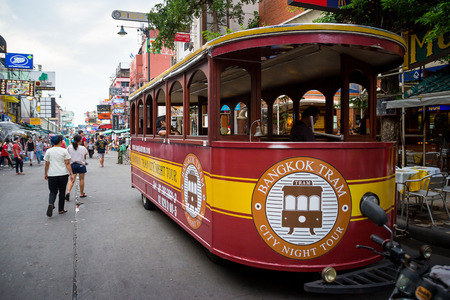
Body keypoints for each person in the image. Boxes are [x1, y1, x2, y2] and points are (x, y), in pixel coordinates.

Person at [44, 135, 74, 216]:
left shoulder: (49, 151)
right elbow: (67, 163)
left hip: (52, 174)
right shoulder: (64, 151)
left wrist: (45, 173)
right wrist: (71, 173)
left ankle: (51, 203)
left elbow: (47, 164)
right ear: (60, 142)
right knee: (62, 191)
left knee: (53, 191)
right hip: (63, 174)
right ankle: (61, 209)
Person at [65, 134, 88, 201]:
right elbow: (85, 154)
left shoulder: (69, 147)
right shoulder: (83, 148)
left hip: (72, 165)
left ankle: (68, 192)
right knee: (81, 179)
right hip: (81, 165)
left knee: (71, 179)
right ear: (80, 140)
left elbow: (66, 155)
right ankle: (81, 193)